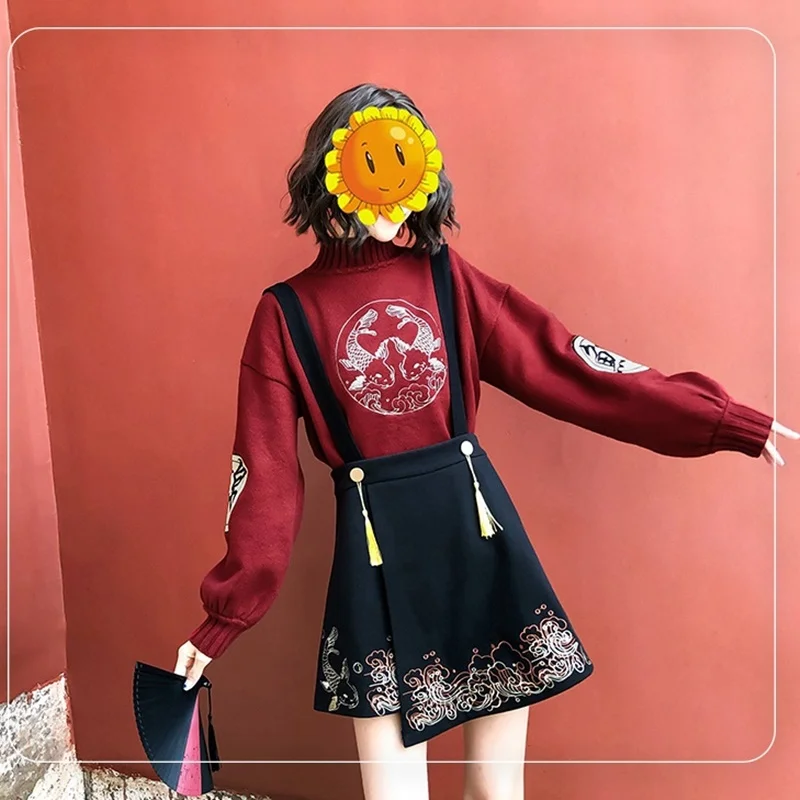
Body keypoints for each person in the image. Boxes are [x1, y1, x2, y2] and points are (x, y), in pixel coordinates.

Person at [174, 83, 796, 800]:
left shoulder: (450, 280)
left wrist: (720, 419)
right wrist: (225, 618)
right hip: (374, 558)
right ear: (332, 173)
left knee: (497, 791)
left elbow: (568, 365)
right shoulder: (284, 314)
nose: (392, 193)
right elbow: (265, 478)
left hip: (479, 539)